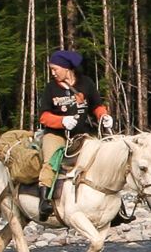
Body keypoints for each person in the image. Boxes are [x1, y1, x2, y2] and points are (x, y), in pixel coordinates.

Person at [37, 49, 113, 208]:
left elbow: (96, 106)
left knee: (100, 158)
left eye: (55, 69)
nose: (52, 73)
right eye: (51, 69)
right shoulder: (51, 88)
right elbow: (43, 116)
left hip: (81, 134)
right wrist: (62, 121)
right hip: (56, 133)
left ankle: (113, 202)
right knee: (51, 160)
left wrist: (104, 116)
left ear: (67, 68)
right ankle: (45, 200)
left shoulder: (86, 84)